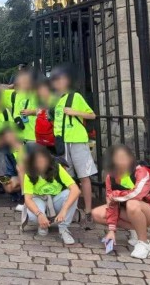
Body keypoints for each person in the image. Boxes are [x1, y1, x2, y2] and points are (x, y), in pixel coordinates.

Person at [91, 145, 150, 260]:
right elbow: (111, 205)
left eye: (123, 158)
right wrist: (111, 230)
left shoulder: (141, 171)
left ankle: (144, 244)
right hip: (129, 210)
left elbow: (137, 194)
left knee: (132, 204)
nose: (120, 161)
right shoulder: (110, 177)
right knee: (97, 213)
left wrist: (115, 196)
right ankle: (136, 230)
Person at [51, 66, 97, 227]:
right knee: (67, 178)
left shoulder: (75, 96)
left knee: (84, 176)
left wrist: (74, 112)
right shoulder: (56, 100)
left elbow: (92, 115)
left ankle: (88, 212)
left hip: (76, 140)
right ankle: (71, 210)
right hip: (62, 142)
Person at [20, 145, 81, 245]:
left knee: (70, 194)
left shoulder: (57, 168)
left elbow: (76, 190)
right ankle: (43, 224)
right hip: (38, 198)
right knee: (33, 216)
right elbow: (28, 199)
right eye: (37, 162)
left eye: (43, 161)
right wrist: (39, 214)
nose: (40, 165)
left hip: (56, 199)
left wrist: (64, 209)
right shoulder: (29, 172)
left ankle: (63, 229)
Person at [9, 71, 38, 143]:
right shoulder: (15, 94)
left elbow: (47, 111)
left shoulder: (38, 94)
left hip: (33, 136)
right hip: (19, 136)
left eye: (26, 81)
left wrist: (32, 112)